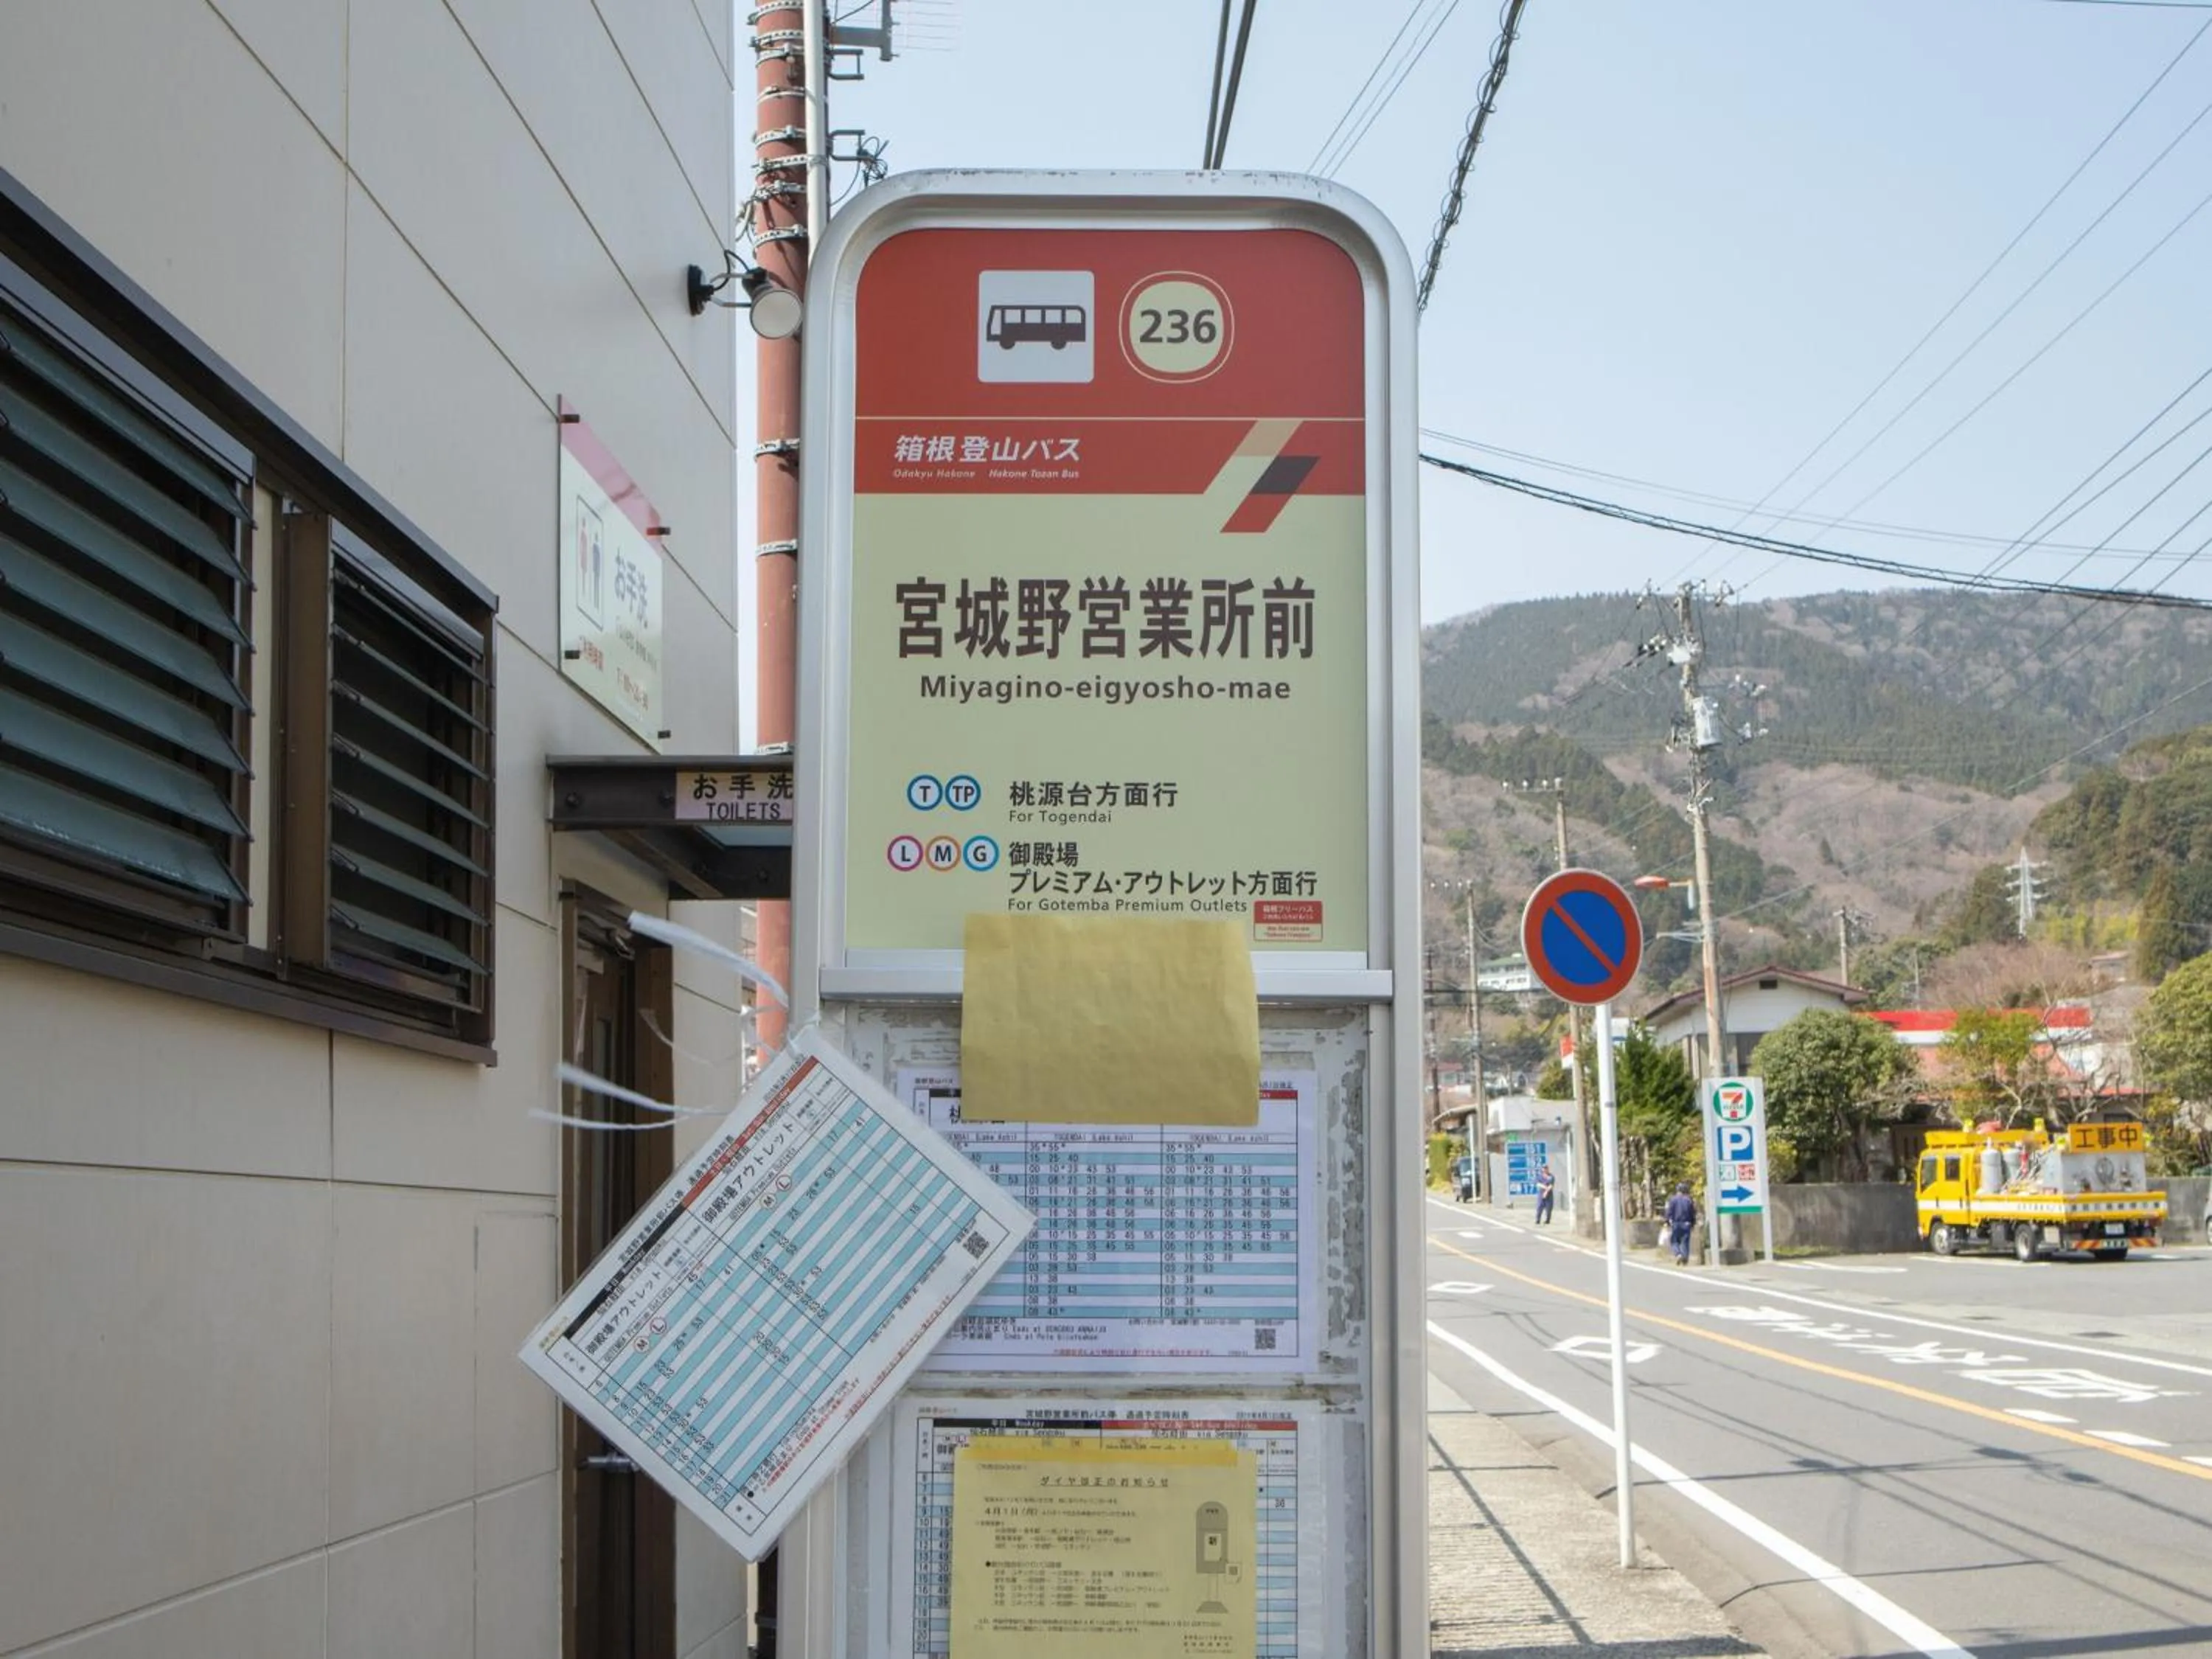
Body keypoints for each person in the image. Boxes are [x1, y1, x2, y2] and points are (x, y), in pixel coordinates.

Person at [1665, 1181, 1697, 1266]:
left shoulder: (1673, 1200)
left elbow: (1669, 1212)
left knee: (1674, 1241)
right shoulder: (1689, 1200)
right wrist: (1693, 1223)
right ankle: (1685, 1259)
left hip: (1676, 1223)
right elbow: (1693, 1213)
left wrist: (1667, 1221)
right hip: (1687, 1224)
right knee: (1685, 1242)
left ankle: (1678, 1254)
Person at [1533, 1161, 1556, 1225]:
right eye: (1544, 1168)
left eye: (1546, 1168)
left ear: (1548, 1169)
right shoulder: (1539, 1176)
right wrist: (1544, 1187)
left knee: (1549, 1209)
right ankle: (1538, 1220)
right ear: (1542, 1169)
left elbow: (1551, 1185)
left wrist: (1546, 1191)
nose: (1545, 1169)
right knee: (1539, 1207)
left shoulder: (1551, 1176)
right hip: (1541, 1194)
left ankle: (1547, 1220)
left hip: (1549, 1194)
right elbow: (1537, 1184)